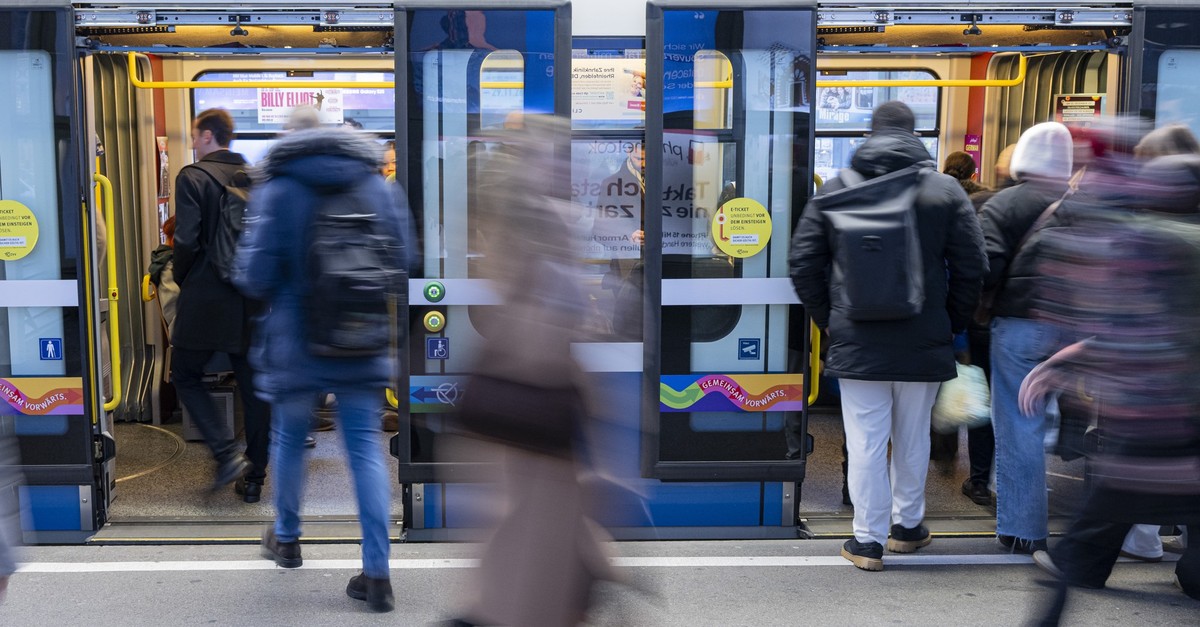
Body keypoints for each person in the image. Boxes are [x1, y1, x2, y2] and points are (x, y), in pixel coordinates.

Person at [790, 101, 987, 571]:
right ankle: (907, 527)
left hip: (856, 338)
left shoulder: (837, 189)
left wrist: (831, 320)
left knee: (865, 439)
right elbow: (972, 266)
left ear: (869, 134)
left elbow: (802, 263)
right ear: (914, 134)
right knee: (913, 435)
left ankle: (866, 541)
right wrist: (951, 322)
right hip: (924, 336)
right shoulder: (945, 190)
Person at [233, 123, 405, 612]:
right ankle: (377, 575)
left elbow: (255, 275)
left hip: (295, 342)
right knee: (365, 452)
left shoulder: (278, 188)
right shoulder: (375, 183)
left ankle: (287, 538)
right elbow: (404, 259)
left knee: (289, 438)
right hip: (361, 339)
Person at [1020, 152, 1200, 618]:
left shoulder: (1150, 242)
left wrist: (1063, 360)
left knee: (1091, 522)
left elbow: (1132, 325)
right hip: (1177, 411)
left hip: (1154, 413)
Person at [977, 122, 1075, 554]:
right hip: (1075, 332)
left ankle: (1023, 530)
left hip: (1018, 326)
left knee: (1020, 426)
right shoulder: (1083, 203)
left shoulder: (1003, 205)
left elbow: (987, 266)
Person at [171, 108, 270, 500]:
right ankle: (255, 478)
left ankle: (227, 453)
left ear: (208, 135)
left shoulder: (192, 176)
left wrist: (184, 280)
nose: (193, 142)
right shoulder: (258, 177)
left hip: (207, 295)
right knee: (255, 386)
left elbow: (186, 240)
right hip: (253, 295)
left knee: (185, 373)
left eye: (195, 135)